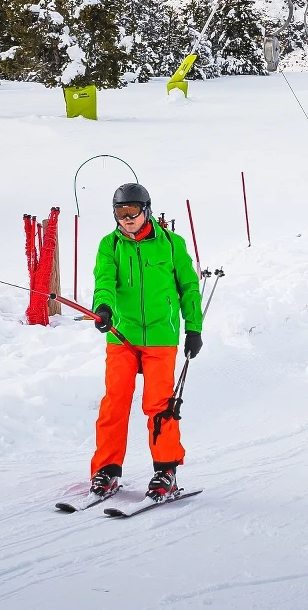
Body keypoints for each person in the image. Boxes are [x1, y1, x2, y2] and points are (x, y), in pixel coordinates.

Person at [88, 183, 203, 503]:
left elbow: (189, 287)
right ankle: (107, 469)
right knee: (115, 402)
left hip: (160, 336)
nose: (127, 218)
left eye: (133, 211)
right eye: (120, 212)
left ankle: (166, 470)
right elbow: (104, 280)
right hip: (122, 335)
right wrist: (103, 308)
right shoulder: (109, 245)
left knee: (159, 404)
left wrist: (193, 328)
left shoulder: (171, 244)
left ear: (147, 210)